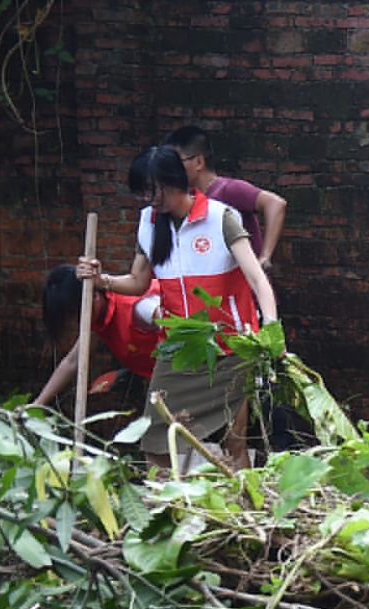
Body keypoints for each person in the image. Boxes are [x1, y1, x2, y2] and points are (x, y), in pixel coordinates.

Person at [76, 145, 280, 468]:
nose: (150, 198)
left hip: (230, 348)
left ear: (175, 180)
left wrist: (270, 326)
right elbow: (138, 282)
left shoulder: (220, 218)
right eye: (143, 191)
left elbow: (256, 278)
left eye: (154, 189)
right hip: (178, 349)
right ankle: (173, 507)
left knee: (234, 445)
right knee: (155, 443)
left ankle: (240, 507)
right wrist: (102, 280)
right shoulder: (148, 223)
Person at [30, 264, 163, 410]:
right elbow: (72, 361)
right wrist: (38, 403)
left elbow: (174, 324)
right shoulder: (98, 319)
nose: (76, 323)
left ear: (94, 296)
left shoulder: (137, 307)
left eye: (75, 315)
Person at [166, 125, 287, 271]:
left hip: (246, 288)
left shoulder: (228, 189)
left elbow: (275, 203)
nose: (171, 170)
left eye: (176, 163)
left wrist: (265, 256)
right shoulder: (187, 201)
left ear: (199, 162)